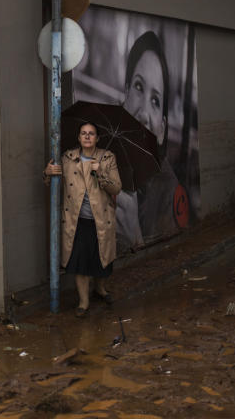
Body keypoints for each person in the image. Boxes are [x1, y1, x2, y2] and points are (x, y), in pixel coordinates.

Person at [115, 31, 187, 250]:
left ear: (162, 129)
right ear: (125, 95)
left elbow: (172, 257)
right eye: (138, 87)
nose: (144, 114)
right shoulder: (100, 158)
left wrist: (134, 236)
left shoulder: (168, 190)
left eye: (155, 101)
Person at [44, 121, 122, 316]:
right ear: (79, 138)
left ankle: (100, 289)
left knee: (102, 259)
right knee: (80, 262)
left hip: (102, 220)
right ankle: (83, 302)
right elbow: (52, 183)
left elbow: (116, 188)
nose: (87, 136)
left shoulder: (107, 158)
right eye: (83, 133)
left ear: (97, 138)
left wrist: (100, 172)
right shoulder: (68, 158)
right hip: (76, 220)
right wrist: (47, 173)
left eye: (92, 133)